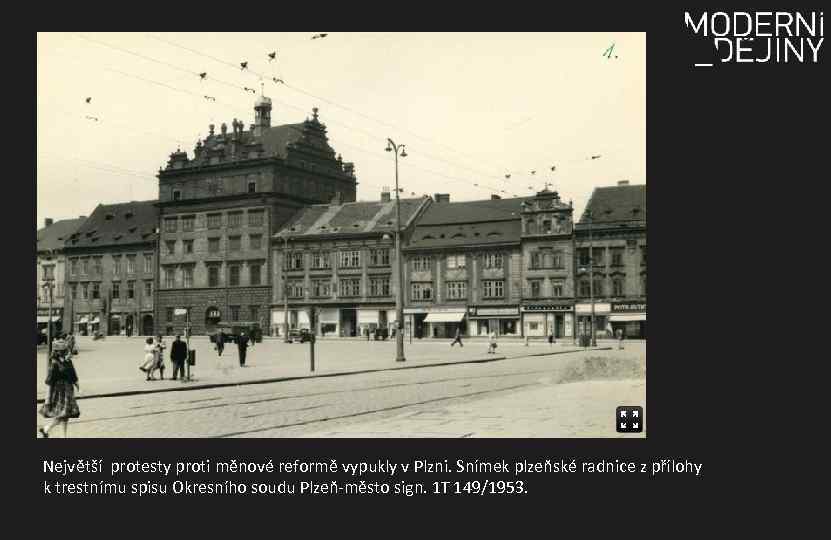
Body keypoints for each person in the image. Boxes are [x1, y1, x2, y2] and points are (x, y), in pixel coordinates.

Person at [39, 337, 80, 438]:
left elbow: (73, 374)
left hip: (68, 391)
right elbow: (50, 382)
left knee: (65, 416)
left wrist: (77, 384)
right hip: (59, 392)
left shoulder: (68, 361)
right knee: (63, 415)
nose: (66, 352)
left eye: (66, 350)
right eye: (64, 351)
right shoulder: (54, 364)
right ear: (58, 352)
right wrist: (47, 399)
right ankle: (53, 432)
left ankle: (48, 430)